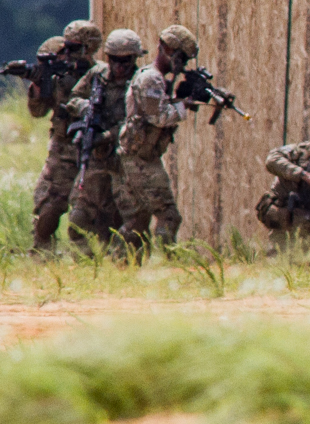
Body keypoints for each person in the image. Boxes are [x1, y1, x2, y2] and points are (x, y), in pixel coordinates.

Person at [114, 24, 197, 250]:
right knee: (168, 215)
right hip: (141, 161)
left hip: (138, 158)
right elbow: (158, 117)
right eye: (180, 57)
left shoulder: (155, 78)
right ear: (166, 50)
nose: (181, 64)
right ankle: (167, 262)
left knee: (137, 221)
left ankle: (120, 262)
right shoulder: (152, 78)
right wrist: (184, 105)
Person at [63, 28, 141, 254]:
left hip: (125, 161)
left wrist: (106, 136)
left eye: (125, 61)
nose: (119, 67)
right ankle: (88, 267)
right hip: (97, 160)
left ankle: (123, 267)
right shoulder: (96, 76)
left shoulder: (140, 82)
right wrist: (85, 108)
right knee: (78, 217)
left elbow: (137, 121)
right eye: (115, 60)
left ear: (134, 59)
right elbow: (73, 99)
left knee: (129, 221)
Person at [27, 20, 101, 252]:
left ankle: (91, 260)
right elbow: (37, 112)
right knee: (48, 207)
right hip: (62, 149)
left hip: (95, 149)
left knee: (88, 212)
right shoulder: (58, 74)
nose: (66, 52)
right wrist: (39, 86)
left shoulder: (102, 75)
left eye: (73, 47)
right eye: (65, 47)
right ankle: (42, 255)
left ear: (87, 48)